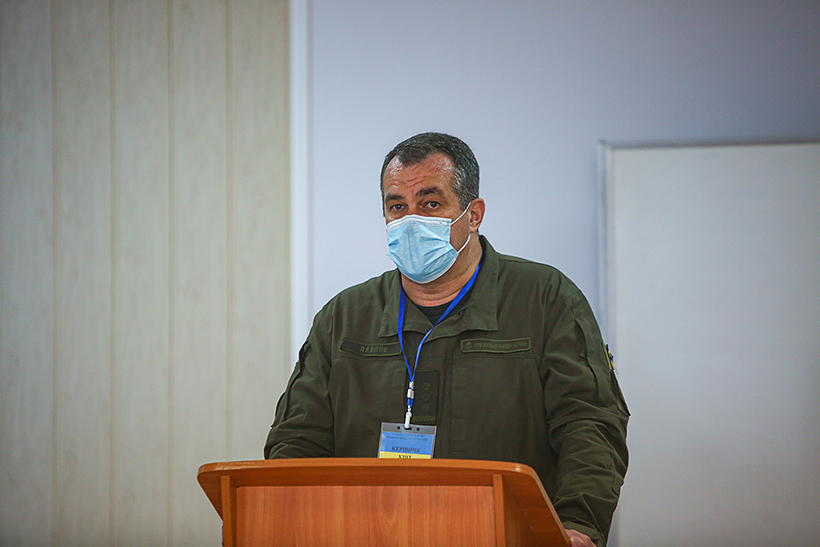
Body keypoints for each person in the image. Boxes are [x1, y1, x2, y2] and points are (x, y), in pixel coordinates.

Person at [265, 132, 629, 547]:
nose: (410, 220)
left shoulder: (544, 298)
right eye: (397, 206)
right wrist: (286, 521)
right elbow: (298, 439)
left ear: (473, 215)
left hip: (507, 534)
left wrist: (577, 524)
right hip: (369, 534)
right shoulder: (344, 316)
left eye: (430, 204)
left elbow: (589, 423)